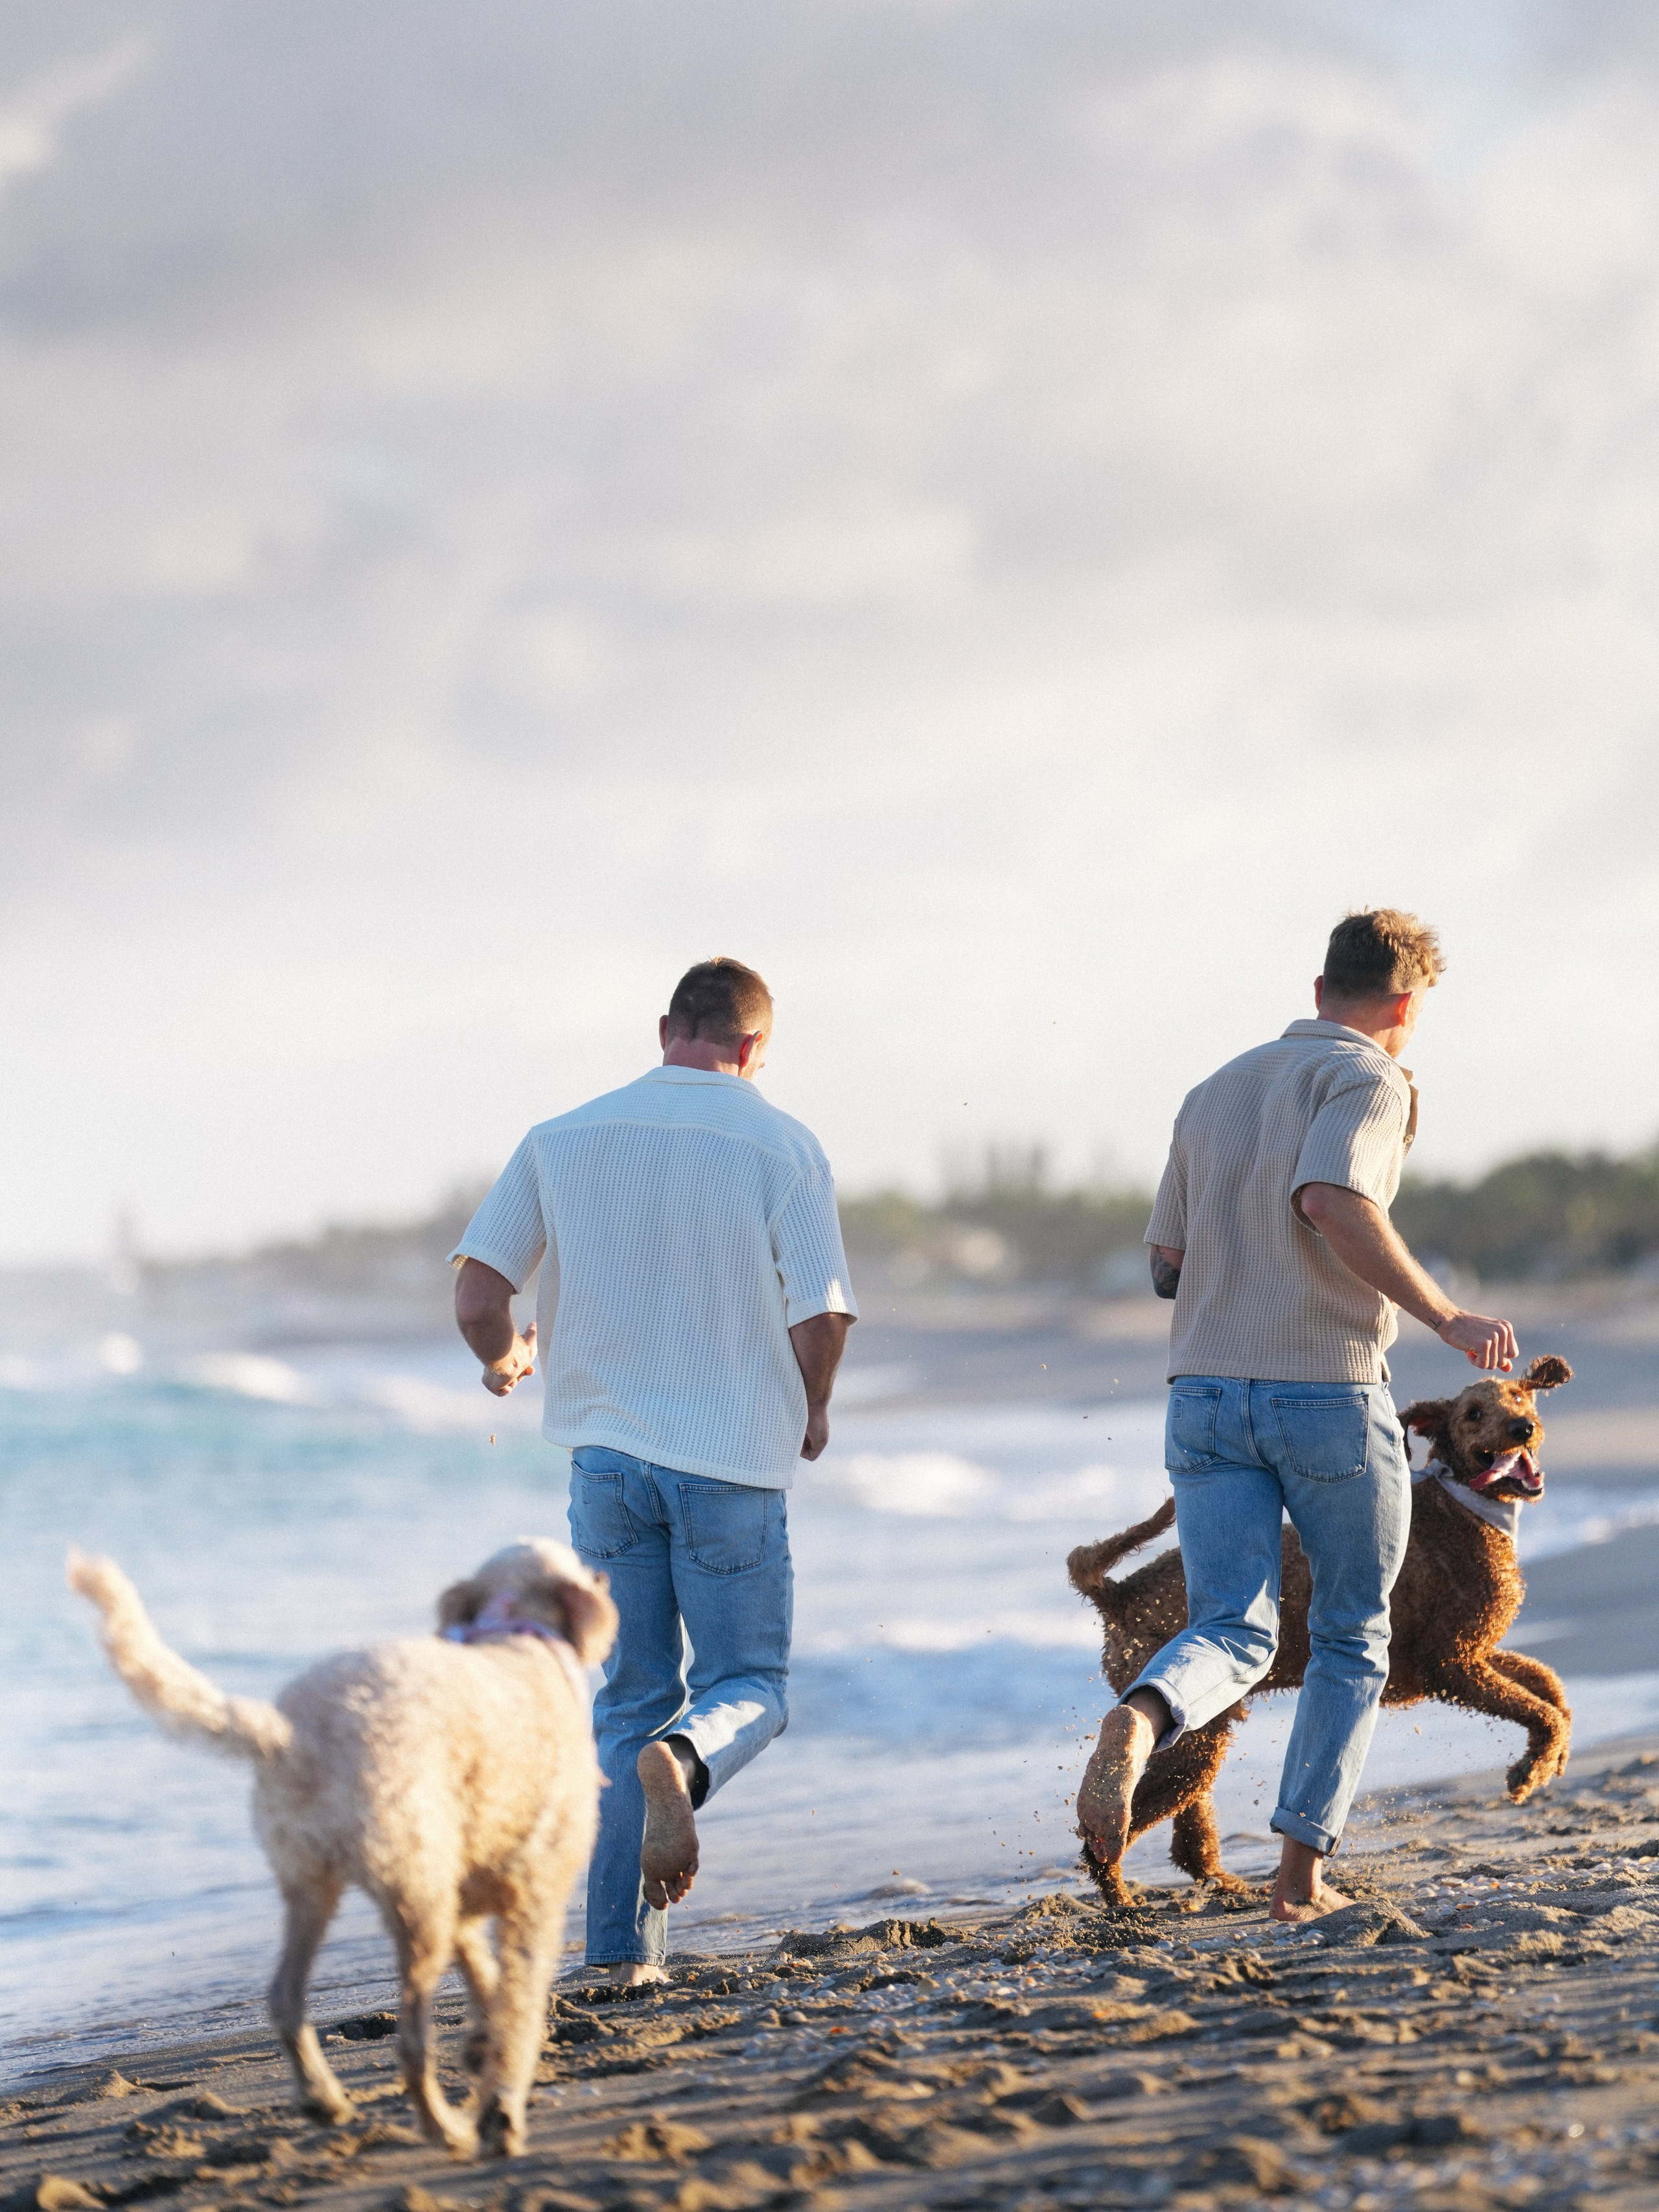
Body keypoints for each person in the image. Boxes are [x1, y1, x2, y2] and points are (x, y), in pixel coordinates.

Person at [1076, 909, 1518, 1924]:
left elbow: (1164, 1265)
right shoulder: (1371, 1077)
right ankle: (1297, 1878)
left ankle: (1142, 1718)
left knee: (1232, 1622)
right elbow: (1332, 1197)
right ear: (1404, 1005)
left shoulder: (1214, 1090)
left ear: (1319, 988)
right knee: (1354, 1634)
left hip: (1202, 1394)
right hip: (1324, 1389)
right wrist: (1446, 1314)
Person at [449, 957, 856, 1983]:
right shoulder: (784, 1142)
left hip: (607, 1466)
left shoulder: (562, 1136)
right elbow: (821, 1308)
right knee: (747, 1683)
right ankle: (686, 1762)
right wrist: (813, 1402)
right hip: (730, 1462)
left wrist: (504, 1357)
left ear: (664, 1026)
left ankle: (619, 1957)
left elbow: (477, 1296)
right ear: (755, 1046)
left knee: (628, 1701)